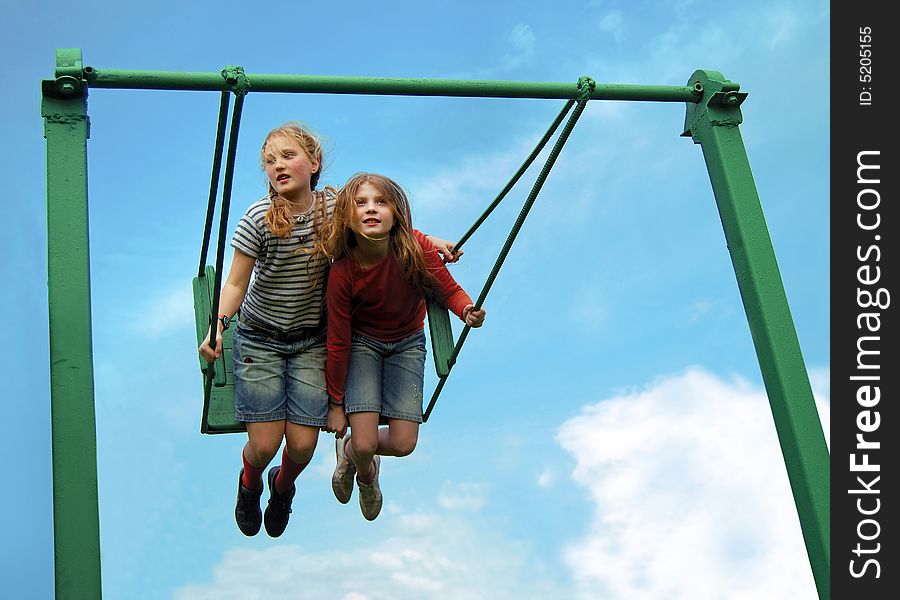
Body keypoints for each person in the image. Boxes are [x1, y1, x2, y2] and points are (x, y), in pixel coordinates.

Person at [199, 125, 458, 537]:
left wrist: (430, 239)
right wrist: (218, 324)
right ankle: (249, 483)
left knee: (301, 446)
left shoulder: (334, 206)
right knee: (265, 445)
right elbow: (235, 284)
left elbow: (378, 225)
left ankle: (282, 488)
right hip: (260, 338)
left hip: (310, 341)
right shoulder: (258, 219)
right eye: (270, 161)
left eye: (288, 156)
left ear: (314, 163)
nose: (278, 165)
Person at [320, 172, 486, 521]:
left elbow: (449, 290)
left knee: (404, 444)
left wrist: (466, 309)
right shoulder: (343, 272)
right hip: (363, 346)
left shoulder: (415, 248)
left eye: (381, 202)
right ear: (347, 217)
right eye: (361, 203)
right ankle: (364, 469)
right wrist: (336, 403)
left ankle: (352, 454)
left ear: (397, 213)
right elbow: (338, 340)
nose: (371, 210)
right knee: (365, 443)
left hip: (407, 345)